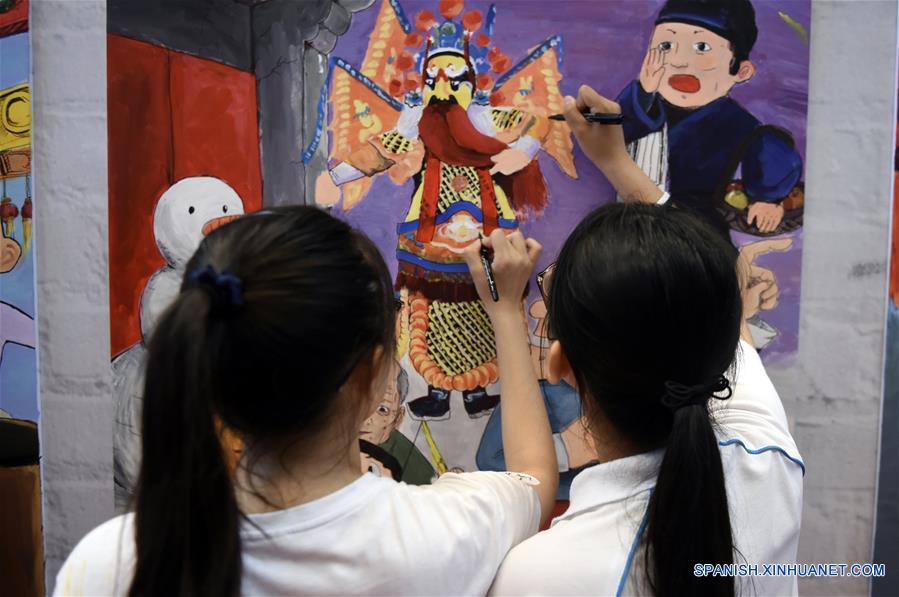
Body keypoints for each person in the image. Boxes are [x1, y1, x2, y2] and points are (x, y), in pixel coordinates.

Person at [53, 206, 558, 596]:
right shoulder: (439, 532)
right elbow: (534, 480)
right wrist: (508, 313)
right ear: (372, 373)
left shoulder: (112, 563)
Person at [482, 89, 804, 596]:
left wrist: (506, 313)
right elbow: (709, 285)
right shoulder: (763, 456)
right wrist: (618, 163)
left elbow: (526, 480)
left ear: (558, 362)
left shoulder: (543, 574)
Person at [616, 0, 802, 237]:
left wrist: (768, 199)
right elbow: (613, 134)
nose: (679, 61)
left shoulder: (736, 123)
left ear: (742, 71)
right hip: (628, 233)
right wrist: (644, 91)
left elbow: (773, 155)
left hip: (699, 237)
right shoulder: (642, 105)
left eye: (702, 47)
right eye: (665, 45)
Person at [358, 363, 435, 484]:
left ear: (398, 418)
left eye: (382, 409)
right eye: (359, 401)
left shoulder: (414, 468)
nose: (366, 418)